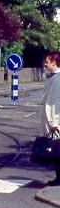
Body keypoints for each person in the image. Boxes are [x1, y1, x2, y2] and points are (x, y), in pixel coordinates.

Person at [39, 51, 60, 185]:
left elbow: (56, 102)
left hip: (56, 123)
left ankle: (59, 179)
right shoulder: (54, 78)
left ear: (54, 62)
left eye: (47, 61)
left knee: (57, 151)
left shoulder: (57, 80)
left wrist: (54, 123)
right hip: (54, 122)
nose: (45, 64)